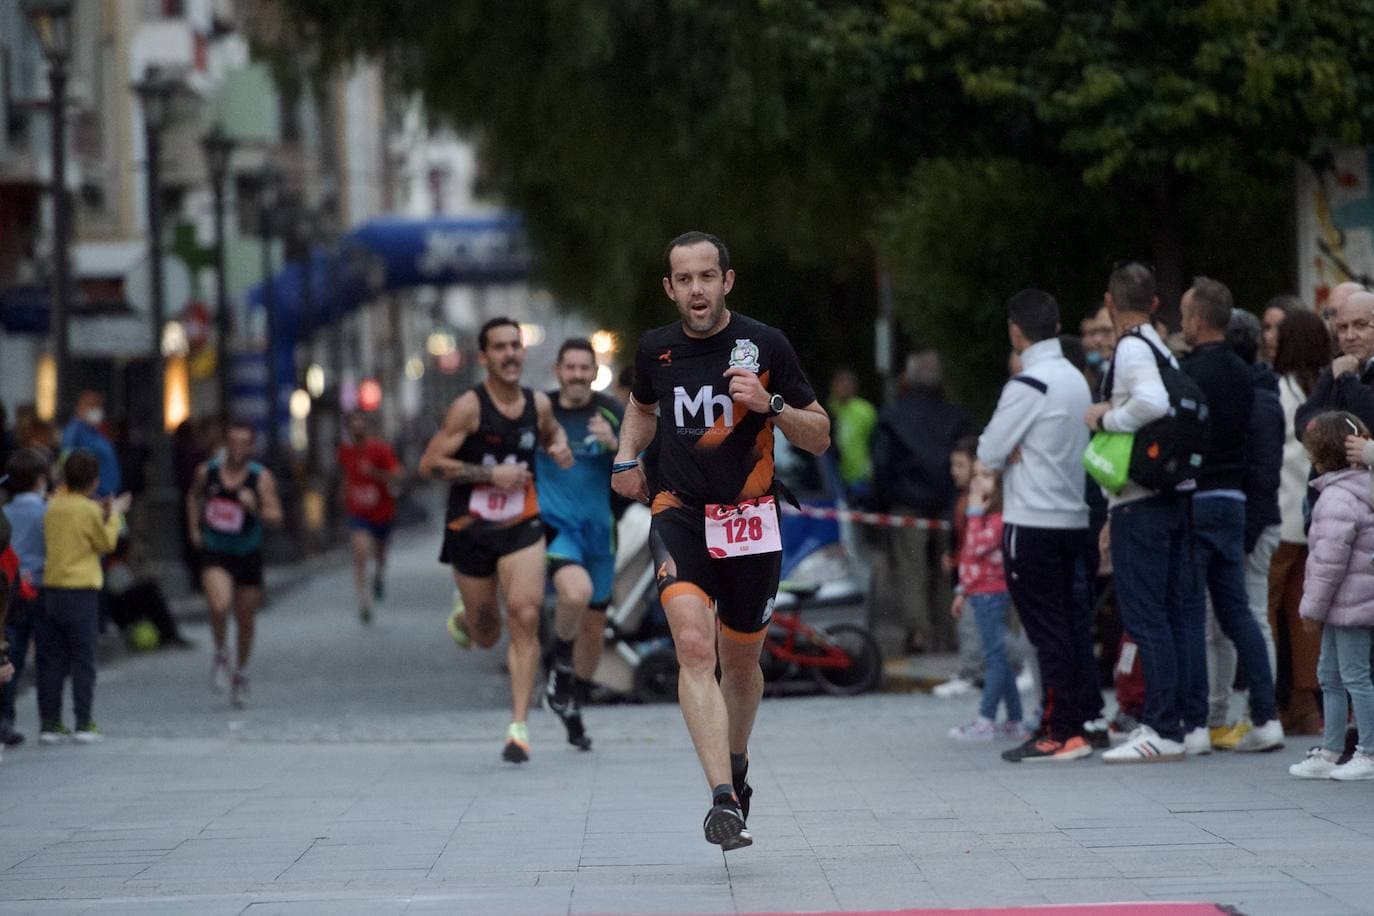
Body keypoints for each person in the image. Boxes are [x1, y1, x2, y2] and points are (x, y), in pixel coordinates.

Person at [612, 231, 829, 850]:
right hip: (678, 512)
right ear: (670, 288)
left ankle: (737, 762)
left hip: (749, 520)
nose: (697, 289)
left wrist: (772, 403)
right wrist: (628, 455)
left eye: (707, 277)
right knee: (691, 644)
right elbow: (641, 407)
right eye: (685, 280)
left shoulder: (766, 344)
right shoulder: (656, 350)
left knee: (740, 663)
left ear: (726, 281)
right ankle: (721, 799)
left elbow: (819, 435)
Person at [420, 316, 573, 763]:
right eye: (500, 348)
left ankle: (519, 727)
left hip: (522, 523)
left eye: (516, 346)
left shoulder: (537, 405)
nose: (510, 354)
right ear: (484, 357)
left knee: (525, 613)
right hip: (471, 528)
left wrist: (559, 447)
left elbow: (551, 434)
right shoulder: (469, 407)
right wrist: (491, 475)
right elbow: (430, 464)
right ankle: (466, 618)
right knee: (487, 633)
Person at [978, 289, 1099, 762]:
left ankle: (1058, 729)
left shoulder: (1028, 383)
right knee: (1069, 625)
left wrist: (1010, 448)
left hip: (1031, 522)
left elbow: (988, 450)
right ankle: (1079, 723)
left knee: (1045, 631)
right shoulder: (1074, 378)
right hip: (1072, 517)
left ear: (1016, 330)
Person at [1087, 262, 1199, 764]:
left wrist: (1105, 417)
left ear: (1110, 301)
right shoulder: (1158, 345)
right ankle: (1183, 721)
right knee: (1174, 613)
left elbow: (1151, 403)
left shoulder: (1131, 346)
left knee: (1147, 614)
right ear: (1156, 304)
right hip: (1170, 495)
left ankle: (1161, 726)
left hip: (1139, 501)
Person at [1177, 279, 1284, 754]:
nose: (1181, 323)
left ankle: (1198, 723)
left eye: (1184, 315)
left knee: (1192, 613)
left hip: (1196, 498)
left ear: (1198, 321)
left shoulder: (1186, 373)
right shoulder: (1247, 377)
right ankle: (1266, 716)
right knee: (1239, 612)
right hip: (1234, 501)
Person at [535, 338, 624, 752]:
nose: (576, 375)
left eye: (583, 368)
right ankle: (558, 669)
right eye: (568, 367)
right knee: (576, 593)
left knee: (594, 629)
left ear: (593, 371)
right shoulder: (540, 411)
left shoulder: (611, 412)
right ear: (558, 371)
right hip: (556, 528)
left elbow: (641, 466)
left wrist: (614, 446)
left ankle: (573, 701)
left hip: (600, 532)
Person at [1205, 309, 1283, 749]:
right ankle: (1253, 712)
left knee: (1234, 622)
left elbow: (1259, 472)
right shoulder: (1264, 395)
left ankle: (1246, 713)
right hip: (1257, 519)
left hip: (1250, 523)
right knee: (1247, 619)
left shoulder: (1251, 399)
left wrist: (1248, 534)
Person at [1287, 412, 1374, 780]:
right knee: (1332, 675)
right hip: (1349, 603)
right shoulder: (1358, 490)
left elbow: (1327, 564)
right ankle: (1332, 748)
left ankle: (1367, 752)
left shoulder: (1336, 499)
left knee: (1352, 677)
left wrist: (1311, 609)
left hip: (1348, 605)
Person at [870, 351, 970, 655]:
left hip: (907, 506)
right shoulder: (957, 416)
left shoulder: (892, 417)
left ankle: (918, 633)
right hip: (948, 505)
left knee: (911, 571)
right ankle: (949, 633)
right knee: (947, 568)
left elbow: (882, 466)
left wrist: (881, 504)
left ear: (908, 379)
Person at [1270, 308, 1336, 734]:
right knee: (1304, 618)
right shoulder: (1327, 390)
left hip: (1278, 521)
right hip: (1315, 519)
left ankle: (1272, 699)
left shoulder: (1279, 391)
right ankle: (1306, 706)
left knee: (1266, 614)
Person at [187, 420, 283, 708]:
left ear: (252, 447)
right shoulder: (208, 472)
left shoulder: (261, 478)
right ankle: (220, 652)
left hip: (248, 552)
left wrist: (255, 507)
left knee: (245, 619)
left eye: (244, 443)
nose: (238, 448)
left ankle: (241, 671)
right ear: (225, 443)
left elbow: (276, 517)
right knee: (219, 604)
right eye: (233, 442)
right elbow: (193, 497)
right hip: (216, 550)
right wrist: (194, 529)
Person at [38, 449, 128, 743]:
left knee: (51, 659)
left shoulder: (53, 507)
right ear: (94, 481)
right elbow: (106, 542)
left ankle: (50, 724)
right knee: (83, 658)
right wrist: (113, 514)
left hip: (51, 589)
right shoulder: (89, 510)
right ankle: (83, 722)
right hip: (81, 591)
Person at [946, 461, 1027, 742]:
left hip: (991, 593)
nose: (978, 481)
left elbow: (975, 546)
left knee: (993, 658)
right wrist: (962, 590)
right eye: (977, 475)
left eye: (987, 476)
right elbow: (968, 559)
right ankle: (1015, 719)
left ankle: (986, 720)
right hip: (978, 591)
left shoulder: (996, 517)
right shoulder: (984, 516)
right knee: (998, 658)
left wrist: (974, 509)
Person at [1, 448, 49, 746]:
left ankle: (4, 718)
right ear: (40, 479)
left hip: (8, 588)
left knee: (9, 652)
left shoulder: (4, 512)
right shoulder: (45, 512)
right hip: (38, 587)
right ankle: (49, 718)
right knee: (43, 653)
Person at [338, 411, 404, 624]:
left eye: (360, 424)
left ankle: (379, 576)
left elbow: (398, 475)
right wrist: (342, 493)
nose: (357, 429)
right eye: (352, 425)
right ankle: (364, 602)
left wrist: (375, 472)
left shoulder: (380, 449)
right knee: (360, 553)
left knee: (380, 554)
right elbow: (344, 475)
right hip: (358, 512)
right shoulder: (345, 451)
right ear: (348, 429)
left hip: (382, 510)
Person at [933, 436, 981, 699]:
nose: (954, 472)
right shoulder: (963, 497)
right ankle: (972, 671)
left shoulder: (979, 497)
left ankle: (971, 673)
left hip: (976, 573)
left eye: (960, 465)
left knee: (972, 623)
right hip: (965, 569)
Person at [1295, 290, 1374, 434]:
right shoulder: (1334, 368)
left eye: (1360, 325)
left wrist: (1346, 378)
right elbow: (1302, 422)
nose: (1350, 336)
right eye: (1343, 328)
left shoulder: (1342, 371)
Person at [827, 368, 877, 505]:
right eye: (840, 384)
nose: (844, 388)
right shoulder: (830, 409)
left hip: (861, 477)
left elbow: (875, 442)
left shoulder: (865, 411)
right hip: (836, 476)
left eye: (847, 384)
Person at [60, 391, 121, 498]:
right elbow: (66, 458)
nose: (96, 411)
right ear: (80, 407)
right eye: (91, 406)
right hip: (90, 495)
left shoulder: (96, 432)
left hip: (106, 494)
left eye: (98, 407)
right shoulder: (74, 432)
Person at [1261, 295, 1300, 366]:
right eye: (1267, 327)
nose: (1269, 336)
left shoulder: (1317, 375)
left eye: (1280, 327)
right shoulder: (1255, 375)